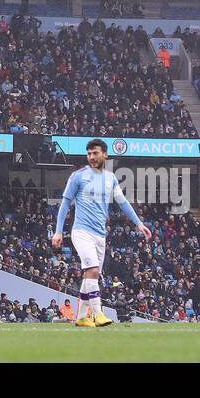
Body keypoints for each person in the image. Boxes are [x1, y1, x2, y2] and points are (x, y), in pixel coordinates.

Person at [50, 138, 151, 328]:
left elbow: (123, 203)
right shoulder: (78, 176)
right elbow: (65, 204)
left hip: (100, 235)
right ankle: (98, 314)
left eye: (95, 153)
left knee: (90, 276)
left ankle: (81, 317)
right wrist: (58, 232)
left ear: (104, 154)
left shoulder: (110, 178)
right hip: (81, 232)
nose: (91, 157)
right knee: (93, 271)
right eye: (89, 154)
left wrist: (139, 224)